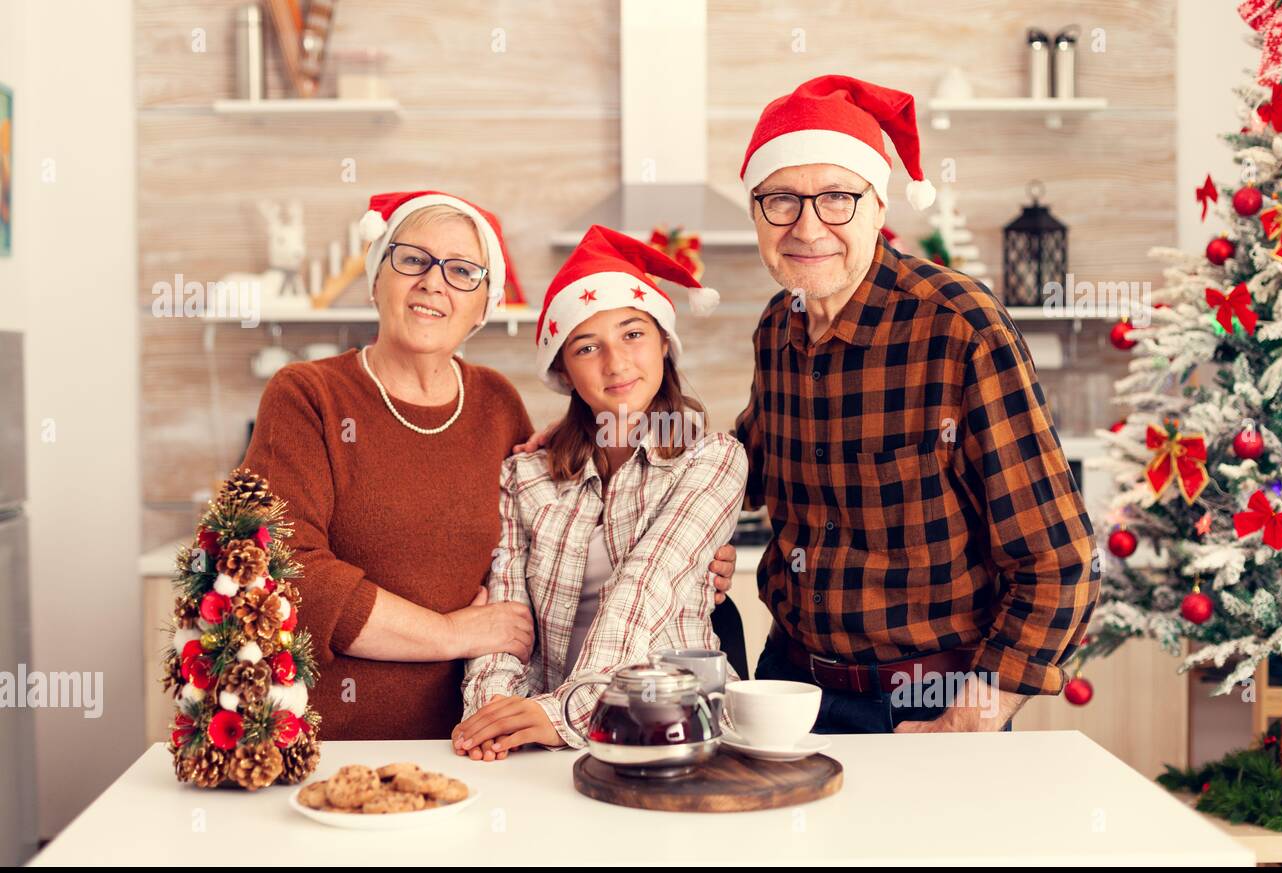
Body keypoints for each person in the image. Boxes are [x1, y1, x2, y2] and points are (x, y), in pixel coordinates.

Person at [240, 189, 740, 739]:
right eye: (411, 259)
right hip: (337, 734)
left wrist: (699, 568)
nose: (433, 282)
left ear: (485, 304)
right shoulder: (308, 395)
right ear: (376, 276)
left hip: (491, 741)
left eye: (461, 271)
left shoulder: (496, 404)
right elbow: (287, 573)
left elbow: (576, 566)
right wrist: (451, 636)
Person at [734, 75, 1101, 733]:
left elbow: (1058, 560)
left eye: (838, 198)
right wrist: (606, 439)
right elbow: (748, 468)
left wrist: (965, 722)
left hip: (930, 706)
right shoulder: (777, 325)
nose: (807, 226)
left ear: (878, 206)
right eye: (781, 200)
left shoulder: (959, 325)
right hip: (788, 688)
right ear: (756, 212)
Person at [452, 226, 747, 758]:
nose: (615, 363)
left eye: (632, 334)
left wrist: (564, 711)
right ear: (564, 369)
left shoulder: (713, 458)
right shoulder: (525, 478)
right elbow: (506, 620)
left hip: (673, 732)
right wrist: (492, 716)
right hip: (542, 737)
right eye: (588, 347)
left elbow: (644, 586)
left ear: (664, 342)